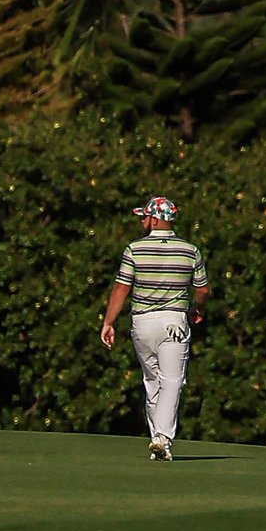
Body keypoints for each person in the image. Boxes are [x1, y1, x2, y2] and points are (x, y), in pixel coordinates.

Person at [100, 195, 210, 462]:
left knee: (153, 381)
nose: (142, 221)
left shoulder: (134, 249)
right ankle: (162, 438)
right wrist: (197, 309)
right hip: (174, 320)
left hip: (143, 322)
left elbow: (122, 287)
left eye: (144, 217)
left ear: (153, 219)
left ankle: (158, 440)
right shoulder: (190, 250)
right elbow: (203, 289)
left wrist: (109, 321)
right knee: (172, 381)